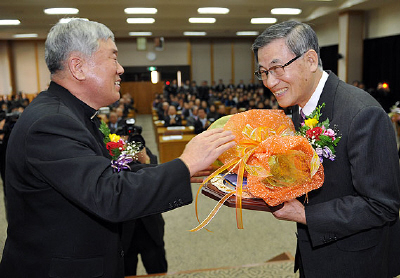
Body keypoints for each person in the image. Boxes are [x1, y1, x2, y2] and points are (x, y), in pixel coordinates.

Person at [0, 19, 235, 278]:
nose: (121, 69)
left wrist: (178, 170)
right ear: (78, 67)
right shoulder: (51, 123)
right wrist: (186, 163)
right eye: (114, 58)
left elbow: (112, 173)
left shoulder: (76, 116)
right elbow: (110, 194)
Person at [252, 20, 400, 278]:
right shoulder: (299, 106)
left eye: (276, 68)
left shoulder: (363, 114)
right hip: (314, 254)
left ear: (310, 60)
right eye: (263, 72)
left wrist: (306, 214)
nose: (269, 82)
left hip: (356, 262)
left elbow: (382, 206)